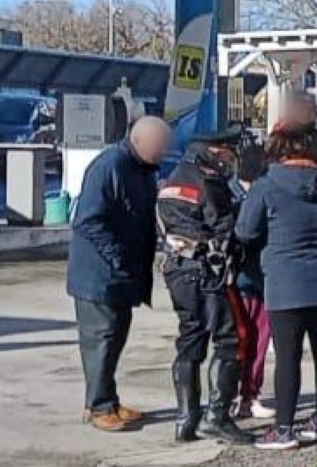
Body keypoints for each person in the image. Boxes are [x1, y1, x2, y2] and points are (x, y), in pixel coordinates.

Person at [235, 126, 317, 450]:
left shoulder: (266, 185)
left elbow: (246, 231)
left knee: (288, 356)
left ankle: (284, 428)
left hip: (285, 280)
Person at [66, 116, 171, 432]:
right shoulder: (110, 165)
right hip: (100, 274)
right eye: (161, 145)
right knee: (101, 338)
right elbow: (87, 221)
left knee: (115, 337)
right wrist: (117, 258)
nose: (164, 151)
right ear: (139, 140)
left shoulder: (142, 170)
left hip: (124, 274)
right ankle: (98, 407)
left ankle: (106, 399)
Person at [156, 128, 255, 444]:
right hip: (208, 273)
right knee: (232, 340)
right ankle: (217, 417)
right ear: (212, 151)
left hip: (177, 270)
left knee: (190, 340)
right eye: (227, 153)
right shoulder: (209, 183)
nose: (231, 160)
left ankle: (185, 419)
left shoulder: (174, 178)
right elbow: (228, 229)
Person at [227, 140, 276, 421]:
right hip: (241, 279)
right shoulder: (234, 196)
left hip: (261, 278)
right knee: (240, 341)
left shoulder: (258, 192)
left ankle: (249, 394)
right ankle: (234, 395)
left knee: (259, 339)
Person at [280, 92, 317, 168]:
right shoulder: (282, 135)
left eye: (311, 110)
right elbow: (273, 164)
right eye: (302, 109)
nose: (306, 113)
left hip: (314, 178)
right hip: (288, 178)